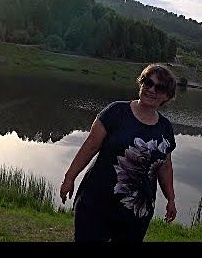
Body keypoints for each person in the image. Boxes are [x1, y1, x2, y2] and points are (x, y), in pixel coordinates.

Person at [60, 63, 178, 242]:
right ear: (141, 83)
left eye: (160, 88)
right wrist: (69, 178)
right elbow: (90, 147)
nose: (151, 89)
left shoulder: (165, 128)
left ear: (167, 96)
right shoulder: (116, 112)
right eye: (148, 83)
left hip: (136, 211)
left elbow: (165, 167)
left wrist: (171, 199)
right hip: (96, 203)